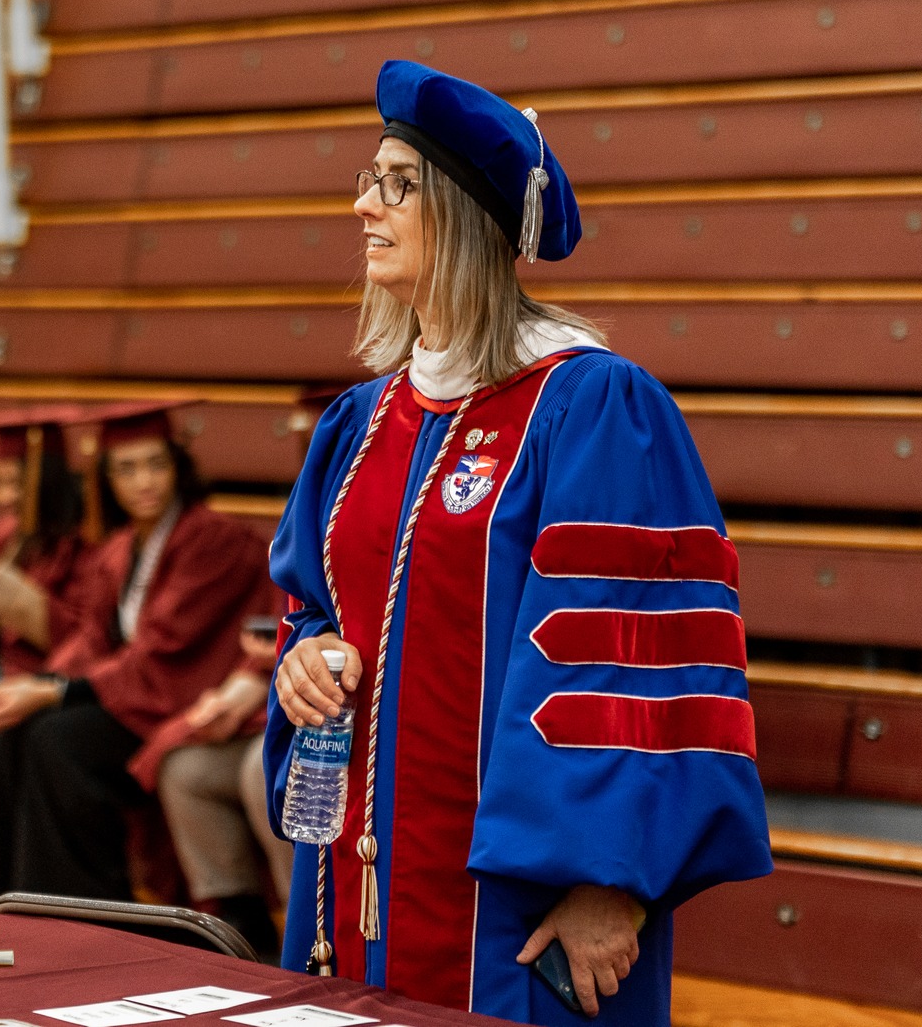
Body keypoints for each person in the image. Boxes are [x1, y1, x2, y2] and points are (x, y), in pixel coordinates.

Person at [265, 61, 771, 1024]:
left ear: (459, 212)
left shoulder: (589, 407)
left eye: (395, 183)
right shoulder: (360, 422)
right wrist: (302, 658)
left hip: (522, 915)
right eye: (368, 178)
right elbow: (312, 601)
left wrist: (611, 881)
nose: (363, 203)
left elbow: (637, 661)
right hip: (348, 879)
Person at [0, 407, 269, 903]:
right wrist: (39, 684)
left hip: (184, 695)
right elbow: (93, 639)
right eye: (126, 469)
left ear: (178, 467)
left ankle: (88, 909)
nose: (144, 482)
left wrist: (54, 692)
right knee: (19, 731)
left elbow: (164, 649)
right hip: (138, 694)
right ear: (106, 479)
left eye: (155, 464)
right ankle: (14, 901)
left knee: (59, 739)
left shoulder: (213, 540)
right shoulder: (122, 549)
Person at [146, 616, 292, 955]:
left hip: (326, 723)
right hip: (272, 703)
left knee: (264, 767)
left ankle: (300, 918)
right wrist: (233, 699)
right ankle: (240, 917)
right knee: (188, 770)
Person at [0, 408, 89, 676]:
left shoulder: (83, 540)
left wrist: (20, 599)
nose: (5, 497)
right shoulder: (5, 534)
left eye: (16, 483)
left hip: (50, 677)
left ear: (46, 478)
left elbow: (90, 642)